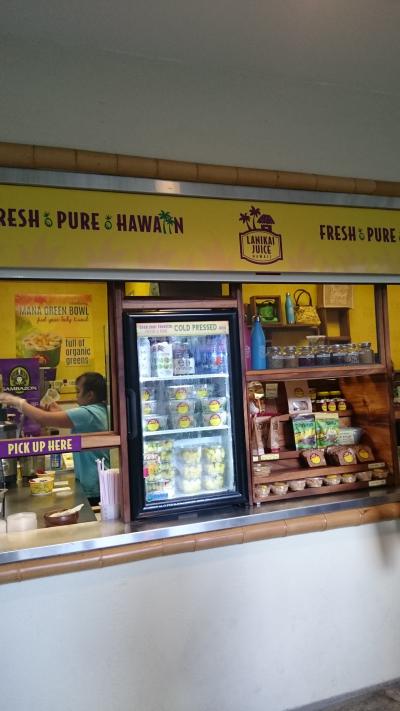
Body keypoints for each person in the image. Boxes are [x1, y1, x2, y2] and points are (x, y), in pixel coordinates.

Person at [0, 371, 110, 504]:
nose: (76, 396)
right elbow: (69, 420)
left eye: (78, 391)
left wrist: (18, 402)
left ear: (90, 395)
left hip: (94, 487)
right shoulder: (100, 411)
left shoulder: (89, 413)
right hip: (96, 483)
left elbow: (42, 418)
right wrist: (59, 412)